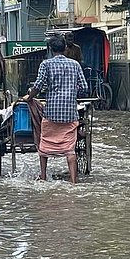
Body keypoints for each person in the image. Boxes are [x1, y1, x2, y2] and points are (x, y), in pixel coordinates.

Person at [28, 33, 88, 182]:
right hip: (70, 114)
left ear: (50, 49)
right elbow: (84, 87)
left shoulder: (46, 64)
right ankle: (74, 181)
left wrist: (29, 97)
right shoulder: (75, 64)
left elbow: (38, 85)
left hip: (51, 114)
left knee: (44, 147)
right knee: (70, 150)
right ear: (64, 48)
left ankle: (43, 176)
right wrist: (72, 92)